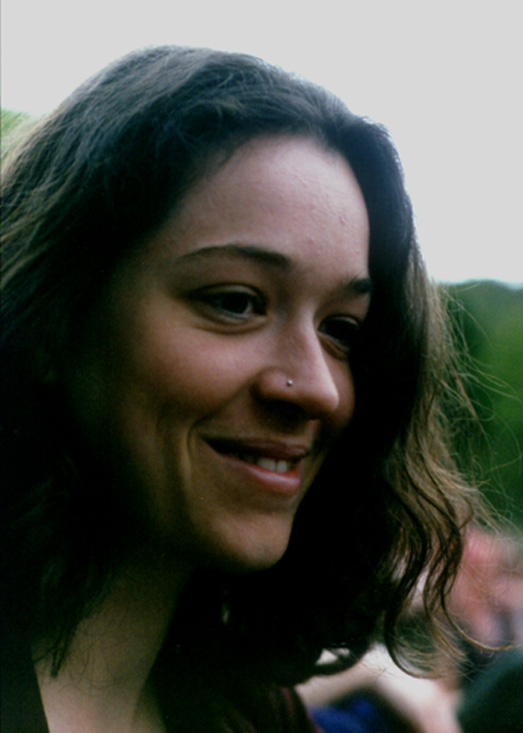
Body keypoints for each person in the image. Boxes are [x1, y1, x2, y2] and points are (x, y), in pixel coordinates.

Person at [0, 45, 481, 732]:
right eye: (235, 302)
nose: (316, 388)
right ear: (54, 319)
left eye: (341, 329)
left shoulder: (257, 719)